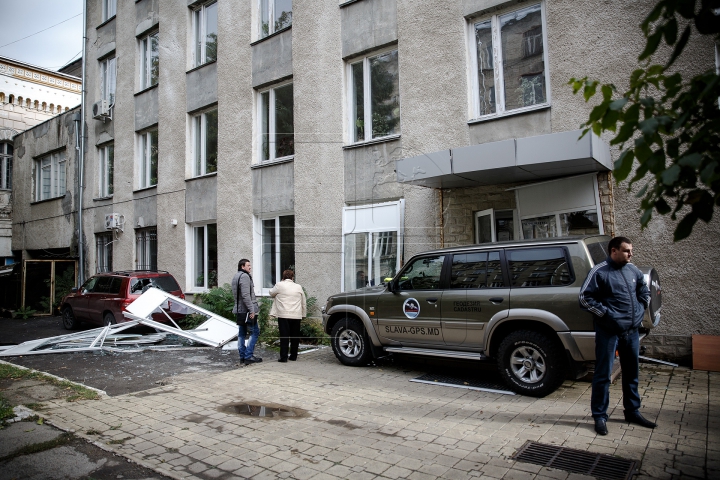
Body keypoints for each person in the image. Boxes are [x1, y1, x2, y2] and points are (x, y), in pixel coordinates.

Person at [579, 236, 656, 436]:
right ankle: (600, 416)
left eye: (630, 250)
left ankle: (632, 411)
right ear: (614, 251)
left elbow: (643, 288)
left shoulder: (633, 269)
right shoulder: (599, 272)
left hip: (631, 332)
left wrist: (642, 306)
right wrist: (608, 315)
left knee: (631, 374)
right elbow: (584, 298)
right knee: (603, 376)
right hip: (608, 332)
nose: (631, 254)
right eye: (626, 251)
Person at [269, 269, 307, 363]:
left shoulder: (279, 285)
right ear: (292, 277)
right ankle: (293, 356)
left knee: (284, 336)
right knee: (295, 336)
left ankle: (283, 357)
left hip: (283, 314)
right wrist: (303, 314)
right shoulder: (298, 287)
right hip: (296, 315)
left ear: (283, 277)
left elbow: (271, 293)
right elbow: (303, 302)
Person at [232, 259, 262, 365]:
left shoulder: (236, 276)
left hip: (240, 310)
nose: (250, 267)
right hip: (247, 311)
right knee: (255, 332)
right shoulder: (244, 277)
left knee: (242, 333)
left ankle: (242, 356)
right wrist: (251, 310)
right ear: (242, 266)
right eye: (248, 265)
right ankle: (248, 356)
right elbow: (246, 295)